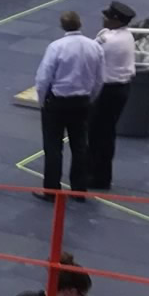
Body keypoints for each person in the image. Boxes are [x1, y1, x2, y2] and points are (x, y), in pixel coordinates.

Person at [35, 10, 104, 198]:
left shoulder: (56, 47)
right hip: (82, 102)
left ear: (62, 26)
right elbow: (99, 78)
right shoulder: (94, 47)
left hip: (57, 102)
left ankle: (51, 190)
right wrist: (90, 98)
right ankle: (79, 189)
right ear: (80, 23)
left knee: (53, 147)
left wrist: (42, 101)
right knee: (80, 145)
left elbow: (43, 78)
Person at [87, 0, 136, 193]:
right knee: (104, 133)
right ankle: (95, 172)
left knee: (99, 134)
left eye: (107, 16)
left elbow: (91, 56)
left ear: (116, 20)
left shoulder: (111, 41)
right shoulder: (126, 36)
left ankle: (98, 177)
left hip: (108, 90)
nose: (103, 18)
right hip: (120, 88)